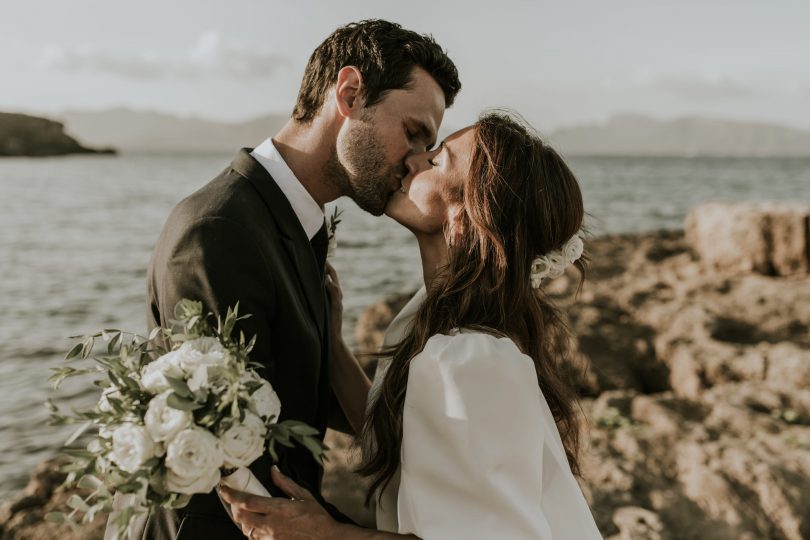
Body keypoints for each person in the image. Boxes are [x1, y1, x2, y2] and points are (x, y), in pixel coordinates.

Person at [107, 19, 461, 540]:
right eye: (412, 133)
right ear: (349, 93)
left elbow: (287, 403)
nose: (414, 164)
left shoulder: (297, 224)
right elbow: (226, 450)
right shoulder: (220, 231)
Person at [220, 112, 603, 539]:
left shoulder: (473, 357)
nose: (413, 161)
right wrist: (331, 338)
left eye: (437, 161)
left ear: (466, 218)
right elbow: (398, 432)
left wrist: (327, 534)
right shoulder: (429, 319)